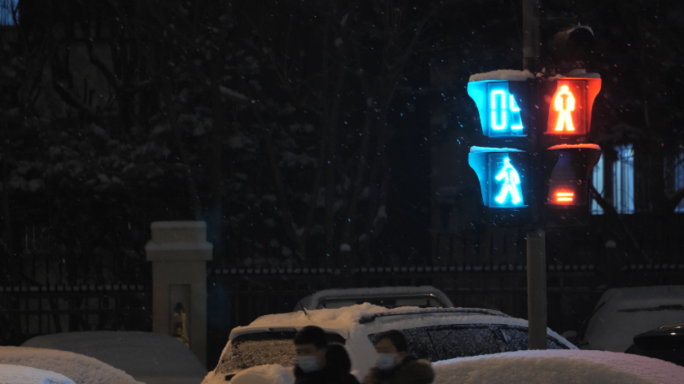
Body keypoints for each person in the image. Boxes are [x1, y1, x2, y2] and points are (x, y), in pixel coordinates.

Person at [293, 325, 360, 384]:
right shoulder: (300, 381)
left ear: (323, 350)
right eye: (298, 352)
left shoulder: (346, 381)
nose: (302, 356)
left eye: (307, 352)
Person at [363, 330, 434, 384]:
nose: (381, 355)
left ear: (401, 355)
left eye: (386, 351)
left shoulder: (416, 379)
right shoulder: (373, 379)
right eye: (378, 351)